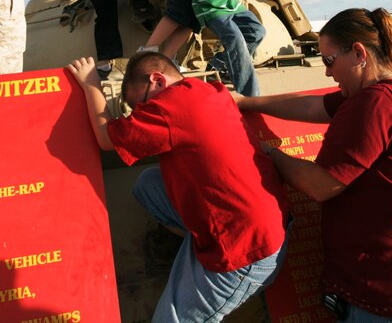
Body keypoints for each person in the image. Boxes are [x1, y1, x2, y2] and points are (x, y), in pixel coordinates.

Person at [237, 8, 392, 322]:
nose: (327, 73)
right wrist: (245, 103)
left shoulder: (373, 103)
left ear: (358, 53)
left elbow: (321, 185)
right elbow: (315, 105)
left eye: (329, 60)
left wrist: (269, 154)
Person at [67, 51, 289, 322]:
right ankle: (198, 244)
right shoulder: (208, 89)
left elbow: (105, 138)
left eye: (142, 105)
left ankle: (204, 266)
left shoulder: (169, 108)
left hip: (245, 250)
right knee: (148, 184)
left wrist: (91, 84)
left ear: (158, 80)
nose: (141, 115)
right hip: (265, 223)